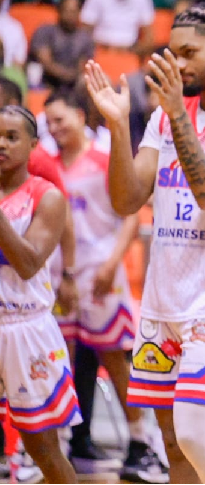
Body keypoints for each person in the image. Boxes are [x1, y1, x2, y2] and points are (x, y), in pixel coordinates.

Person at [83, 1, 205, 484]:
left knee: (196, 434)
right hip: (163, 300)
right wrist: (116, 126)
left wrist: (176, 115)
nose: (177, 64)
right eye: (171, 54)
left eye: (188, 52)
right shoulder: (162, 118)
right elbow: (128, 199)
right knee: (174, 445)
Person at [44, 89, 168, 483]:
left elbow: (130, 214)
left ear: (81, 116)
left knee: (116, 359)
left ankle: (140, 442)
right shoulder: (47, 165)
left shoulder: (102, 159)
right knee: (60, 360)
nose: (55, 127)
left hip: (101, 273)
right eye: (49, 122)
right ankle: (63, 446)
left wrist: (113, 261)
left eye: (61, 119)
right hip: (59, 278)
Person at [0, 104, 77, 484]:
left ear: (33, 144)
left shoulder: (46, 197)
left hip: (25, 330)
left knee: (43, 449)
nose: (1, 144)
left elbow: (28, 262)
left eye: (11, 137)